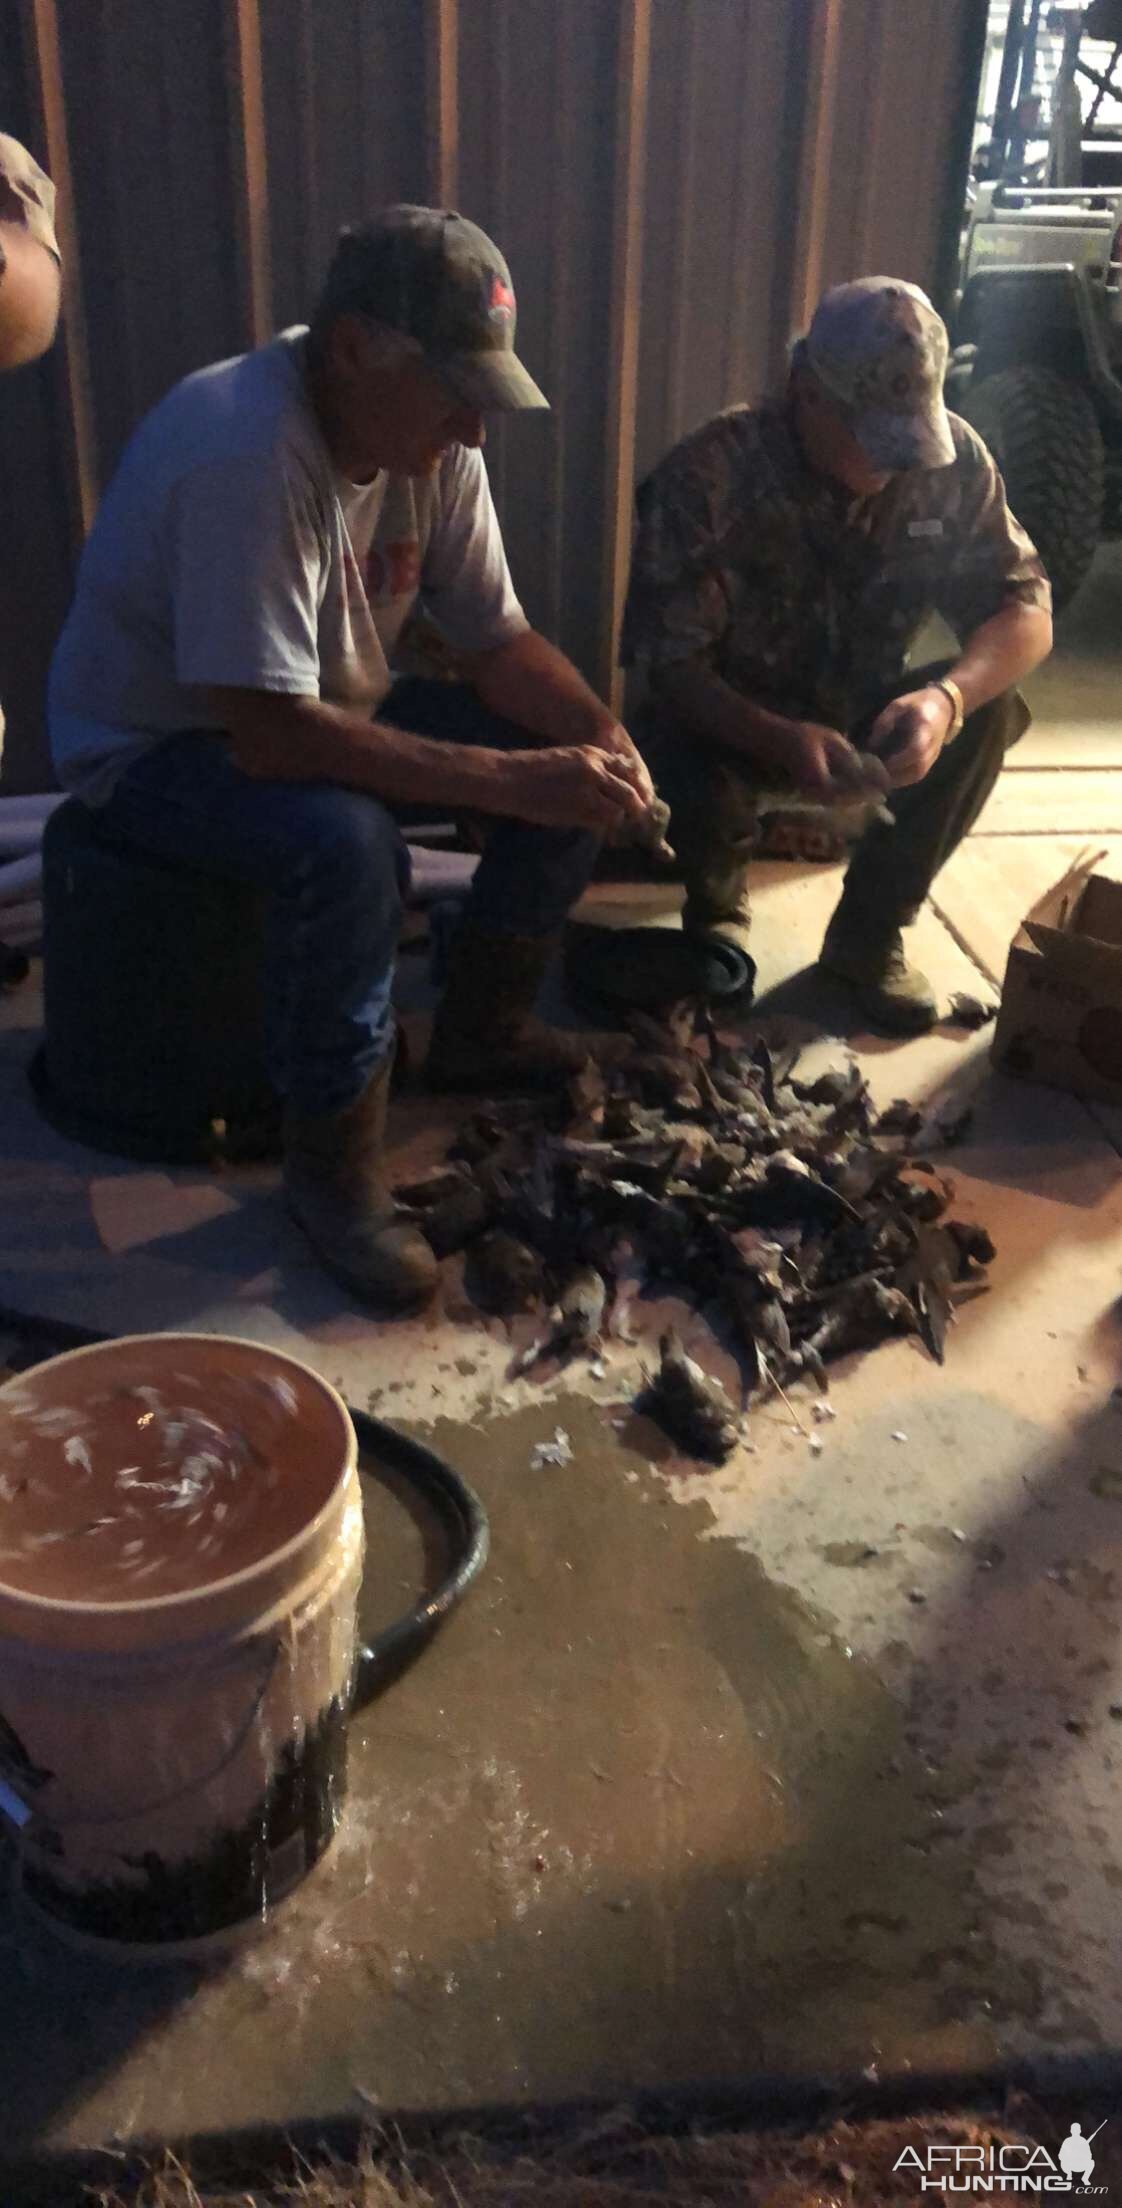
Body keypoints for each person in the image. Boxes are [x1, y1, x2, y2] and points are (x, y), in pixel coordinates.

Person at [48, 205, 653, 1311]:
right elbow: (270, 738)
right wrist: (517, 782)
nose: (475, 431)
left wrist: (599, 738)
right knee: (346, 842)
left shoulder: (434, 439)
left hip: (316, 698)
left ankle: (481, 1027)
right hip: (158, 745)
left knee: (559, 751)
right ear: (351, 350)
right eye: (455, 393)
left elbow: (497, 641)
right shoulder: (243, 448)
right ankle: (330, 1169)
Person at [622, 276, 1053, 1032]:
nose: (892, 462)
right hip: (729, 721)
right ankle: (716, 904)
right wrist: (781, 740)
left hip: (859, 715)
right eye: (870, 434)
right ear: (805, 392)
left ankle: (867, 937)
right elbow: (671, 666)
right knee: (669, 742)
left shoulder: (951, 462)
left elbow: (1027, 607)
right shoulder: (711, 473)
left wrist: (945, 699)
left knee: (992, 711)